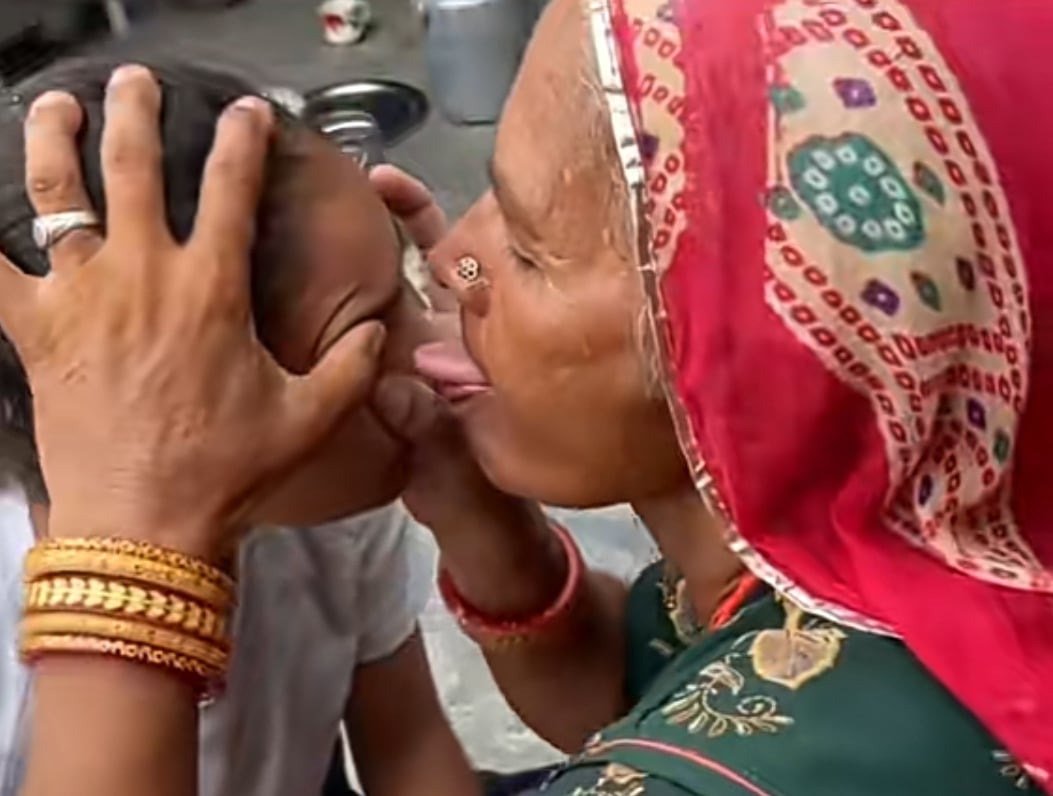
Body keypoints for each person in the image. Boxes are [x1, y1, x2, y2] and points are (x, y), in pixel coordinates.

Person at [4, 0, 1053, 794]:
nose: (453, 263)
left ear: (773, 350)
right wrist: (477, 510)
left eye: (530, 243)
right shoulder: (920, 540)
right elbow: (637, 687)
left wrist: (128, 551)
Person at [0, 59, 476, 796]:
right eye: (367, 334)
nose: (446, 354)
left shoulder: (330, 519)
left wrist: (495, 535)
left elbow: (409, 746)